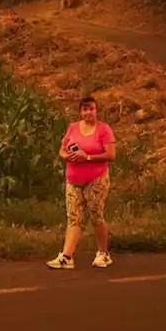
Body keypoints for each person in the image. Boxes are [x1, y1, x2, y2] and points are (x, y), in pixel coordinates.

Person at [47, 96, 117, 270]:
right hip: (73, 179)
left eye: (91, 109)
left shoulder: (103, 130)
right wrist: (68, 156)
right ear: (80, 111)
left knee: (95, 215)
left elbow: (111, 155)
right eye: (85, 109)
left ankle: (103, 253)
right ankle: (66, 256)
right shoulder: (73, 128)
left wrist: (87, 157)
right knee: (74, 218)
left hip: (96, 179)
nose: (88, 112)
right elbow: (62, 150)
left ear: (96, 110)